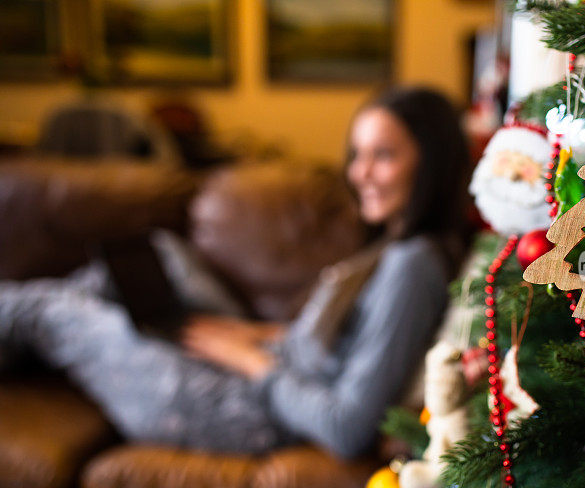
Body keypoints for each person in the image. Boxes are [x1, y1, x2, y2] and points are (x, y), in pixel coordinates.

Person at [0, 87, 470, 458]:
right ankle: (113, 328)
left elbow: (345, 427)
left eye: (383, 156)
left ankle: (62, 327)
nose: (358, 173)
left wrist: (247, 359)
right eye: (357, 154)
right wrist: (252, 335)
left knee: (45, 309)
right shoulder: (396, 242)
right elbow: (335, 346)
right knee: (157, 252)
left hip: (244, 410)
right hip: (273, 368)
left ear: (430, 162)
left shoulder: (413, 267)